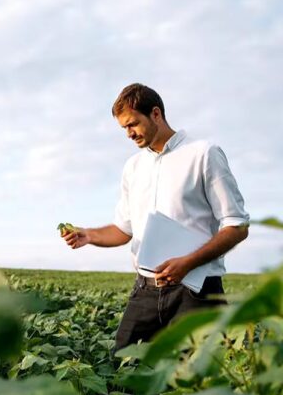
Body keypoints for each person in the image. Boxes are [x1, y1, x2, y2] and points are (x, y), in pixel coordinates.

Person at [61, 83, 249, 351]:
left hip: (197, 292)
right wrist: (89, 235)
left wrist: (188, 262)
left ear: (156, 114)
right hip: (146, 291)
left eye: (133, 124)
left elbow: (237, 225)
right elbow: (124, 229)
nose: (128, 134)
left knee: (196, 382)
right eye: (124, 128)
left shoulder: (204, 154)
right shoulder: (133, 167)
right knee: (123, 369)